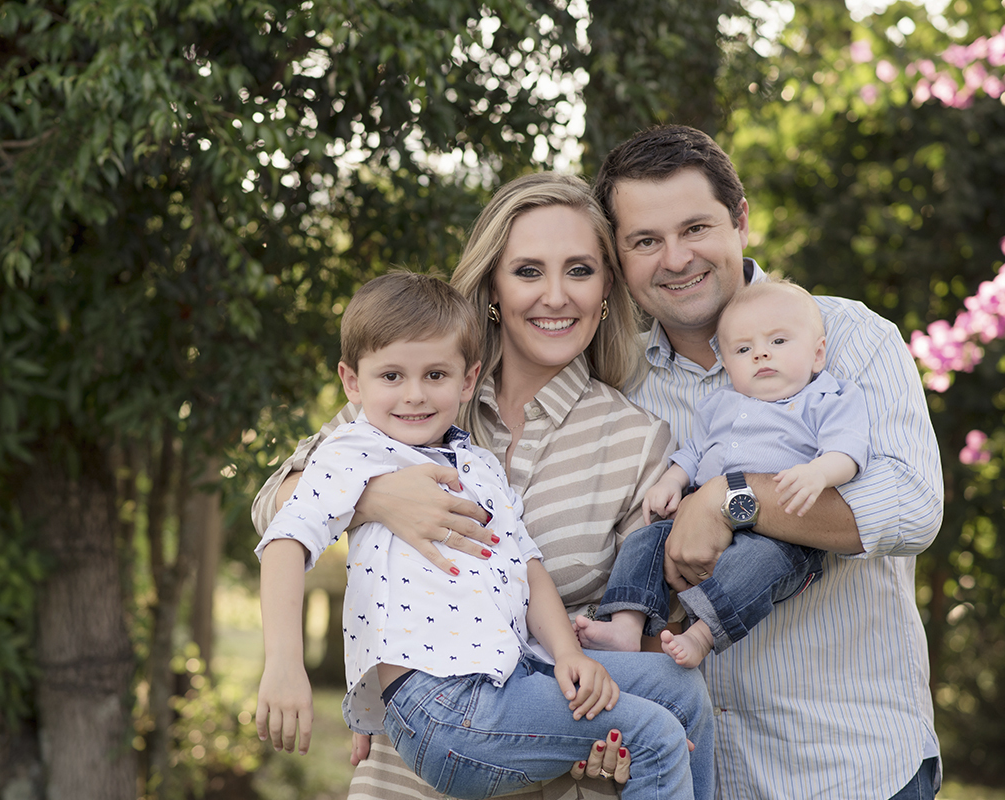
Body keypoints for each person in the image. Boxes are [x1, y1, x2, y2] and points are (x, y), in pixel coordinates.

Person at [251, 172, 716, 800]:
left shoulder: (637, 441)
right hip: (406, 769)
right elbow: (277, 507)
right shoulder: (415, 391)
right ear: (493, 286)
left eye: (579, 270)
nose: (555, 295)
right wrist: (379, 499)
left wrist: (587, 682)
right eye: (527, 271)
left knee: (676, 698)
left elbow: (628, 612)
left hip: (541, 734)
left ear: (607, 286)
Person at [594, 124, 942, 799]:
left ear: (741, 220)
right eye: (644, 241)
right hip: (694, 774)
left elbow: (910, 503)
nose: (675, 258)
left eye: (695, 228)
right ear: (619, 256)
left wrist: (731, 498)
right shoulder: (617, 382)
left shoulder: (844, 337)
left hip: (851, 770)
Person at [575, 279, 869, 669]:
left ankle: (701, 634)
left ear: (817, 355)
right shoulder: (721, 404)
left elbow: (847, 450)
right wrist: (672, 481)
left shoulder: (825, 397)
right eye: (744, 350)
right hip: (695, 520)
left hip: (780, 535)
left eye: (778, 342)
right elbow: (695, 451)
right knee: (644, 542)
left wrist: (819, 473)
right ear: (728, 365)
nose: (761, 354)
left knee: (753, 568)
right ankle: (626, 624)